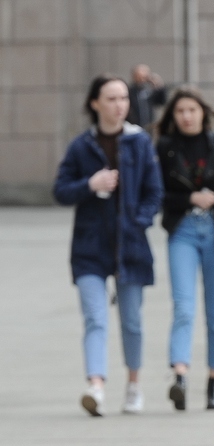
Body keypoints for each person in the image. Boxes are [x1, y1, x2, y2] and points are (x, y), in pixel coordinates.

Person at [53, 75, 164, 416]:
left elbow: (154, 193)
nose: (119, 105)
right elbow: (60, 190)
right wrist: (90, 184)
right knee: (95, 318)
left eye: (123, 99)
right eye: (112, 99)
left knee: (131, 320)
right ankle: (96, 386)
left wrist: (138, 221)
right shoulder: (81, 146)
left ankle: (133, 385)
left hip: (130, 247)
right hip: (89, 247)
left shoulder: (140, 143)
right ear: (95, 103)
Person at [156, 87, 214, 412]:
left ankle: (213, 382)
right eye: (180, 111)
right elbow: (158, 194)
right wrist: (189, 199)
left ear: (203, 113)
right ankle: (179, 377)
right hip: (182, 230)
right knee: (183, 306)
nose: (186, 117)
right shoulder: (166, 148)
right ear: (173, 116)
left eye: (192, 110)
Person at [127, 64, 166, 129]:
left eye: (144, 77)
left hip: (149, 126)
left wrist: (159, 86)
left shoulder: (151, 90)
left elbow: (161, 101)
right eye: (139, 77)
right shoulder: (129, 91)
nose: (142, 80)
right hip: (134, 125)